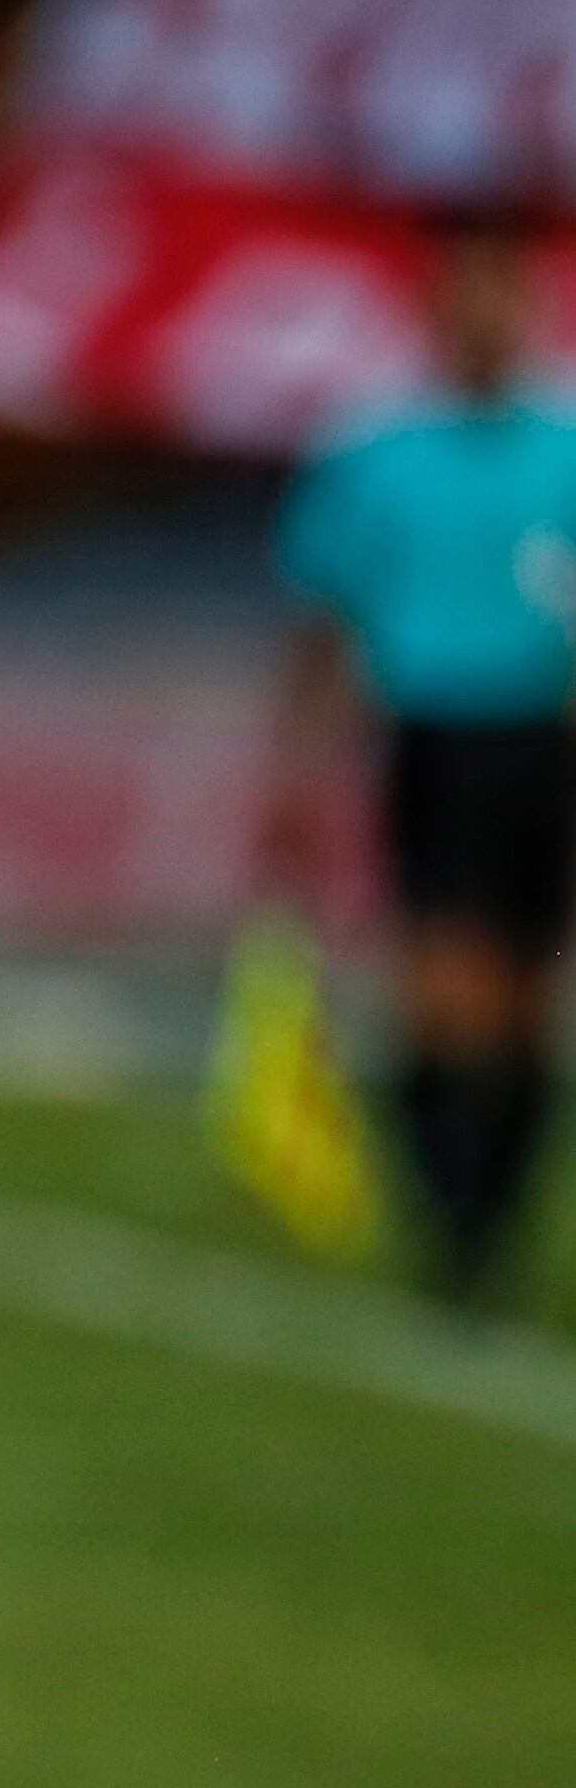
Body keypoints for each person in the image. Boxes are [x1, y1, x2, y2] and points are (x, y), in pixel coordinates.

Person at [268, 214, 576, 1306]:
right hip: (436, 737)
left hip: (546, 739)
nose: (486, 314)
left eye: (505, 291)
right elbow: (319, 620)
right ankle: (453, 1216)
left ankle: (496, 1212)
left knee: (530, 996)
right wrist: (294, 771)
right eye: (467, 292)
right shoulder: (375, 456)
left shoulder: (566, 448)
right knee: (445, 990)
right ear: (434, 310)